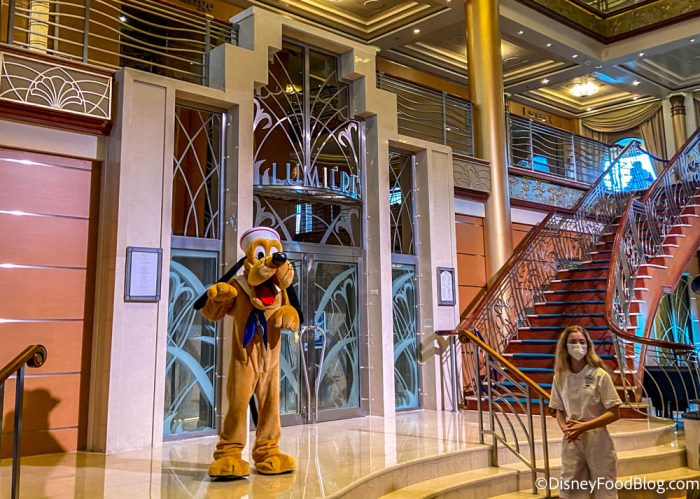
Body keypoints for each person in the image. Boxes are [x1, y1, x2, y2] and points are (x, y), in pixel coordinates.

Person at [549, 325, 623, 498]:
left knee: (604, 488)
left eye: (582, 342)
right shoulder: (560, 377)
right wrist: (566, 429)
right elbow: (559, 410)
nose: (578, 346)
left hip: (597, 438)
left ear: (588, 345)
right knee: (571, 488)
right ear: (565, 346)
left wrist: (584, 426)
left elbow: (614, 412)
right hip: (572, 438)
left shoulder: (599, 375)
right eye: (573, 342)